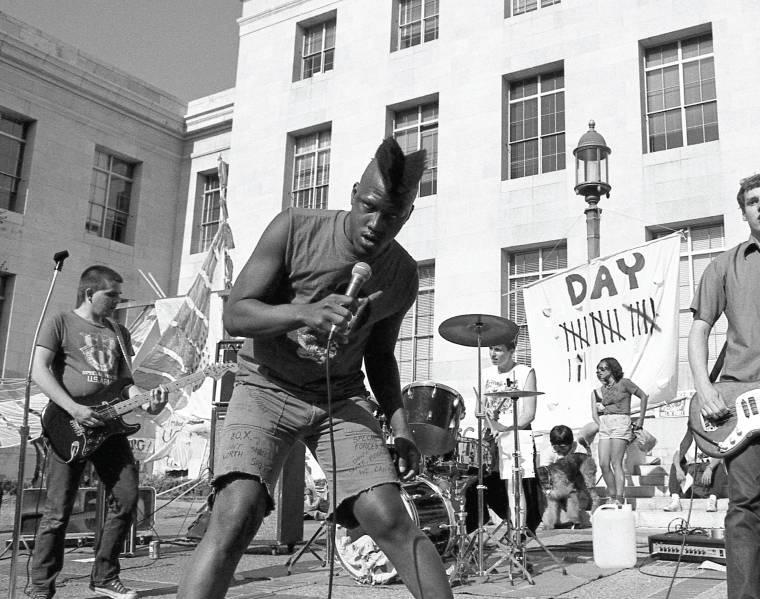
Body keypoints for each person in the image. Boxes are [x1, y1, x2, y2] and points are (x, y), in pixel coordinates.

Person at [177, 138, 454, 599]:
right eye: (369, 207)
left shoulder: (402, 274)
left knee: (390, 518)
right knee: (238, 513)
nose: (375, 224)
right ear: (352, 194)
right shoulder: (294, 227)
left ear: (406, 217)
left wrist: (401, 425)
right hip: (265, 384)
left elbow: (380, 355)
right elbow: (237, 315)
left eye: (391, 216)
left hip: (339, 398)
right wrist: (305, 314)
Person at [688, 171, 760, 599]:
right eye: (753, 201)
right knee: (744, 507)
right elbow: (699, 329)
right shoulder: (724, 265)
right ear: (744, 212)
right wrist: (704, 387)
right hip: (740, 402)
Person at [30, 265, 168, 599]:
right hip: (70, 425)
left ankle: (105, 576)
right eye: (112, 295)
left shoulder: (119, 332)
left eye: (120, 295)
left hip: (111, 429)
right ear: (89, 292)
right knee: (58, 512)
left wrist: (149, 403)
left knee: (126, 497)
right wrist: (74, 408)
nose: (118, 301)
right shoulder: (60, 321)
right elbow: (39, 369)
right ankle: (40, 588)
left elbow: (125, 384)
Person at [482, 340, 542, 533]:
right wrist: (490, 426)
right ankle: (507, 525)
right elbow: (481, 408)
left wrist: (506, 430)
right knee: (489, 485)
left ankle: (520, 532)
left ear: (512, 351)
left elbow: (528, 413)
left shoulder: (525, 372)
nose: (493, 353)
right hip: (492, 435)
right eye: (491, 348)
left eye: (498, 349)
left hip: (516, 434)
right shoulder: (486, 373)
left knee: (515, 484)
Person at [591, 357, 648, 505]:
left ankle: (619, 497)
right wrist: (601, 423)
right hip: (605, 424)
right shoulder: (602, 390)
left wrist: (641, 419)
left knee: (616, 462)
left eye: (603, 369)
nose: (599, 372)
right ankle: (612, 494)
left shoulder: (624, 383)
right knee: (603, 463)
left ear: (612, 369)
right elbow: (595, 412)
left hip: (621, 422)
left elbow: (643, 396)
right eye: (598, 369)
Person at [538, 425, 598, 529]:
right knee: (552, 499)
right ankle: (556, 520)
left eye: (563, 446)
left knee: (579, 490)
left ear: (571, 443)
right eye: (556, 447)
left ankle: (588, 509)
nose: (560, 450)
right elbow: (544, 472)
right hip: (557, 477)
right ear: (552, 444)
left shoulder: (579, 448)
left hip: (578, 474)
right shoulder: (548, 452)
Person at [663, 425, 728, 513]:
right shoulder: (689, 438)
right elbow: (677, 454)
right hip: (693, 471)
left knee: (719, 467)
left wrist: (710, 468)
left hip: (707, 471)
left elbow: (720, 454)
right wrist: (678, 469)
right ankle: (675, 501)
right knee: (675, 465)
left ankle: (712, 500)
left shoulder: (715, 435)